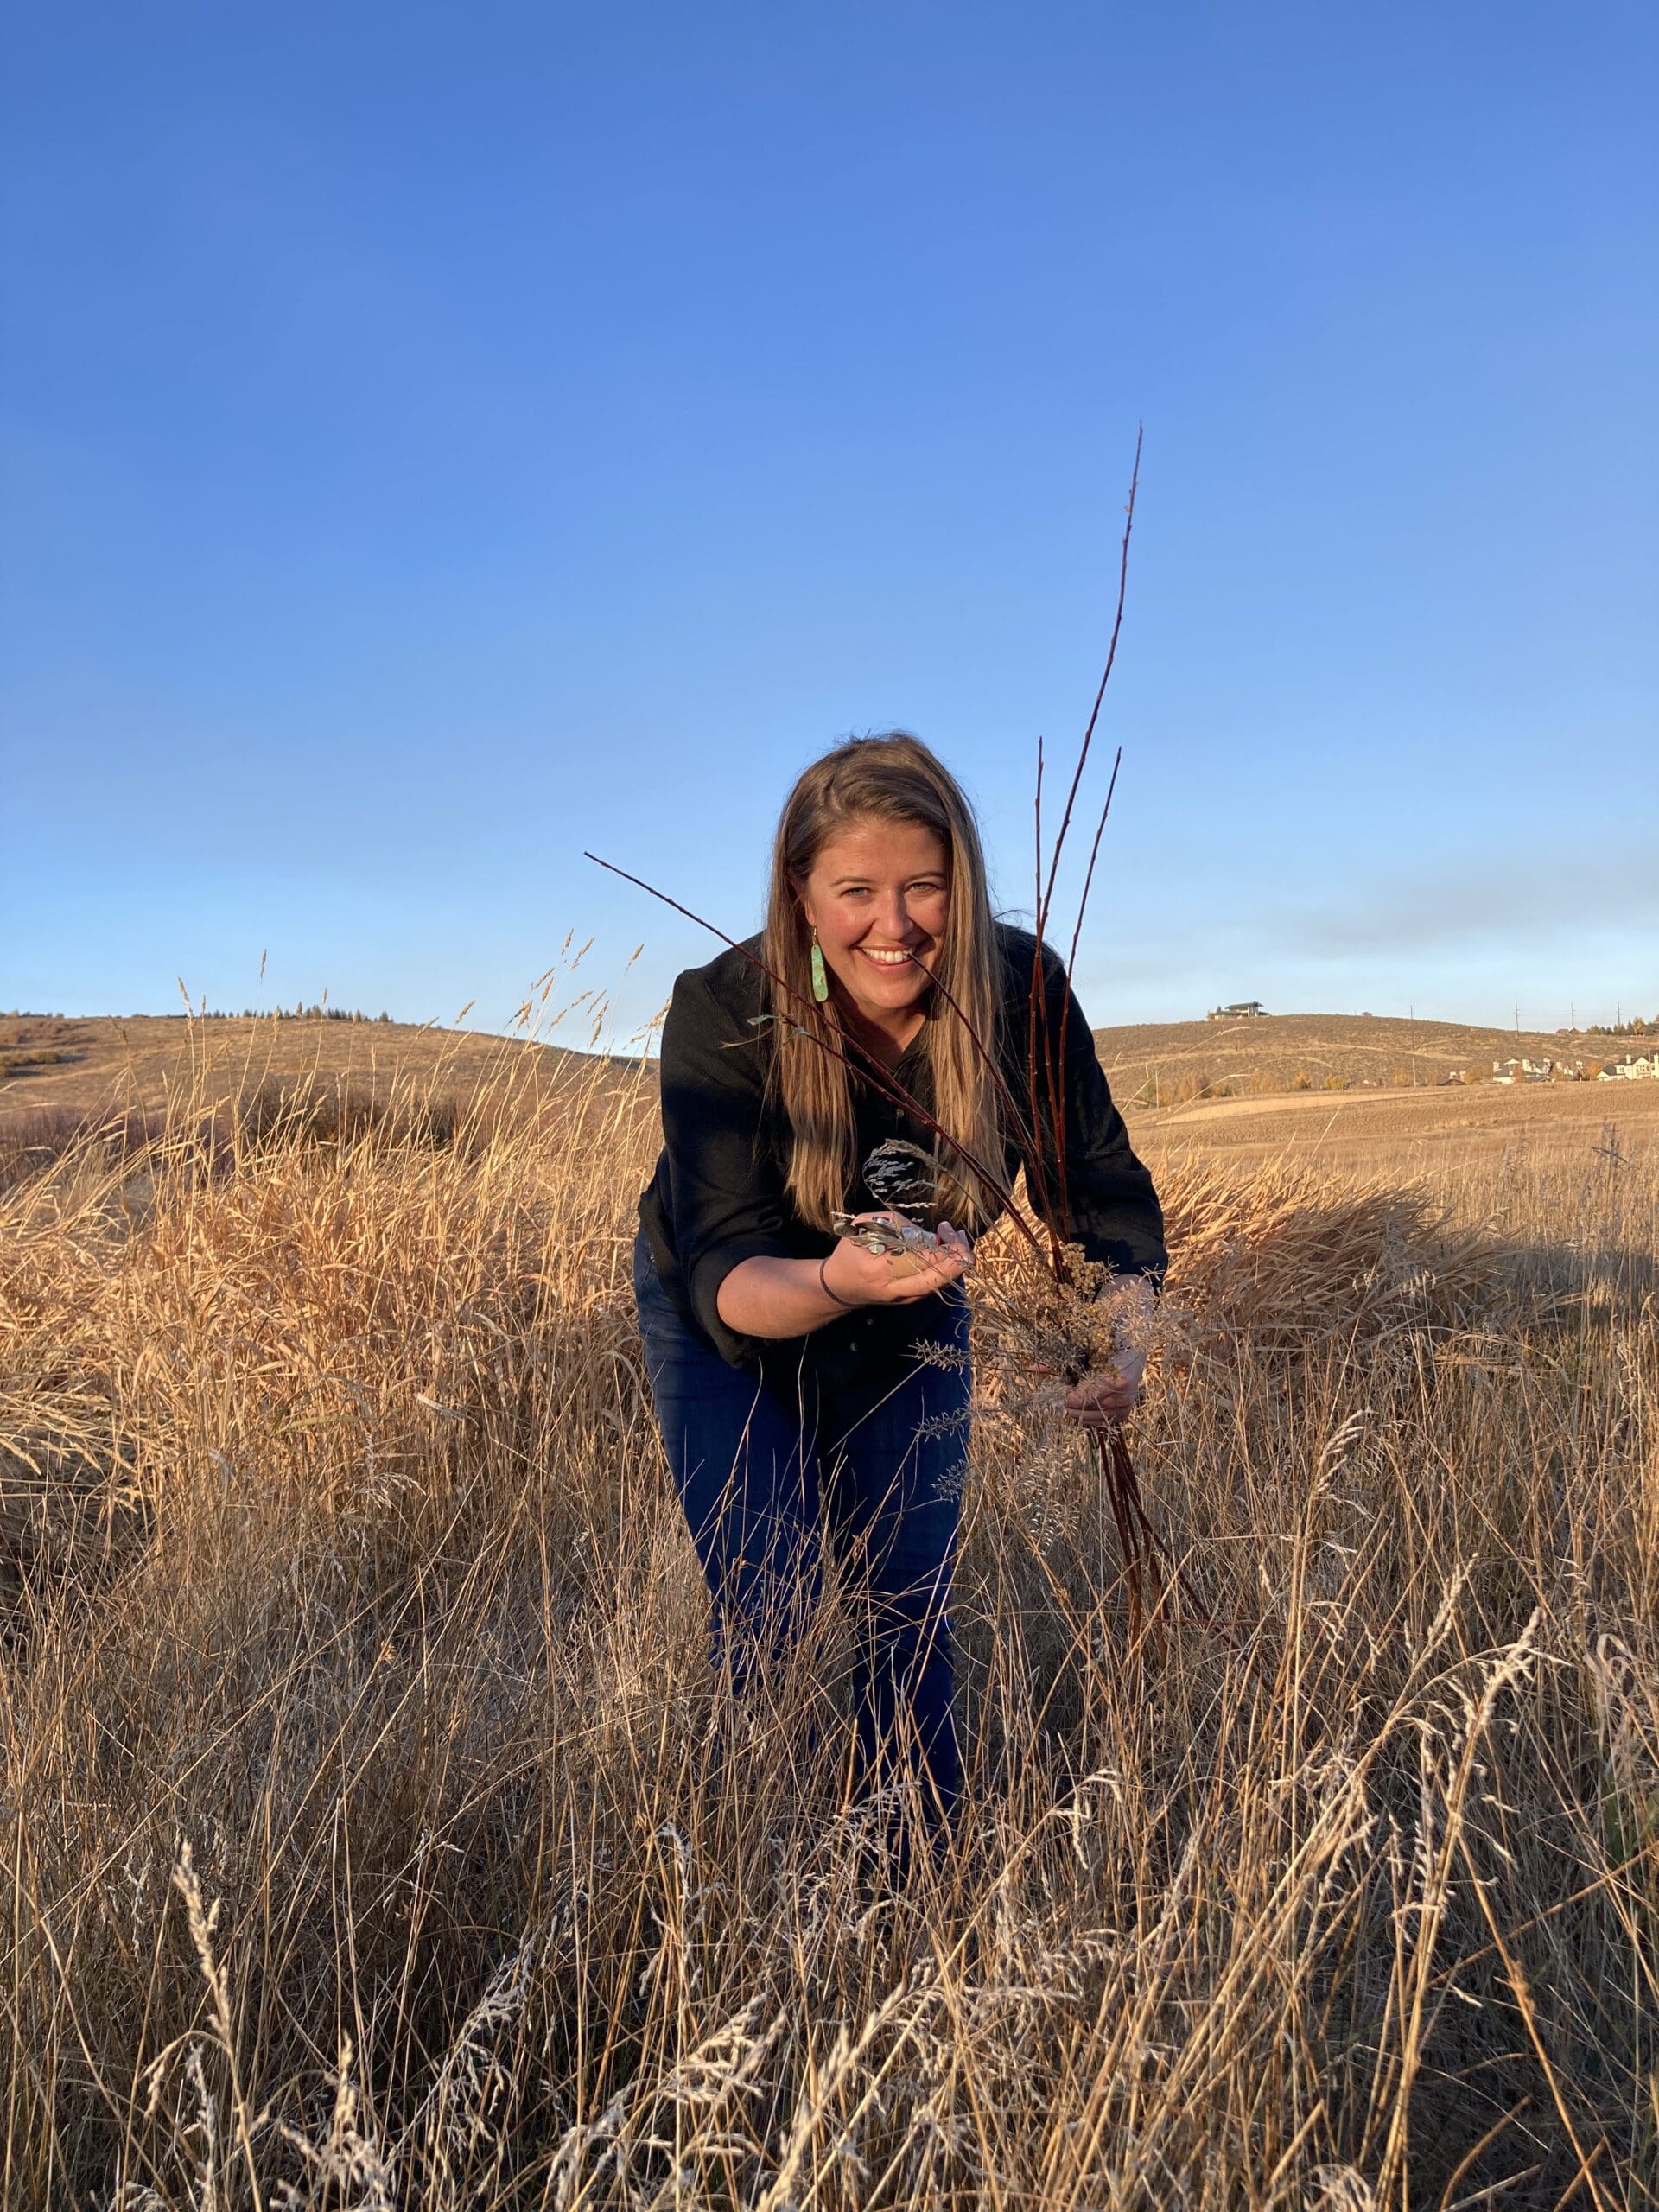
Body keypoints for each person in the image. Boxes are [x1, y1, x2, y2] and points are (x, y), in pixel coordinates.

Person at [634, 732, 1165, 1828]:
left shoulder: (1023, 993)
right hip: (734, 1315)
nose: (896, 924)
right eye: (857, 891)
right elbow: (724, 1269)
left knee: (905, 1599)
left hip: (912, 1300)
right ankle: (753, 1865)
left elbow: (1101, 1194)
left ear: (961, 881)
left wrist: (1121, 1340)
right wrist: (837, 1281)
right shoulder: (722, 1008)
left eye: (925, 886)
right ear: (800, 894)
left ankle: (913, 1873)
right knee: (767, 1601)